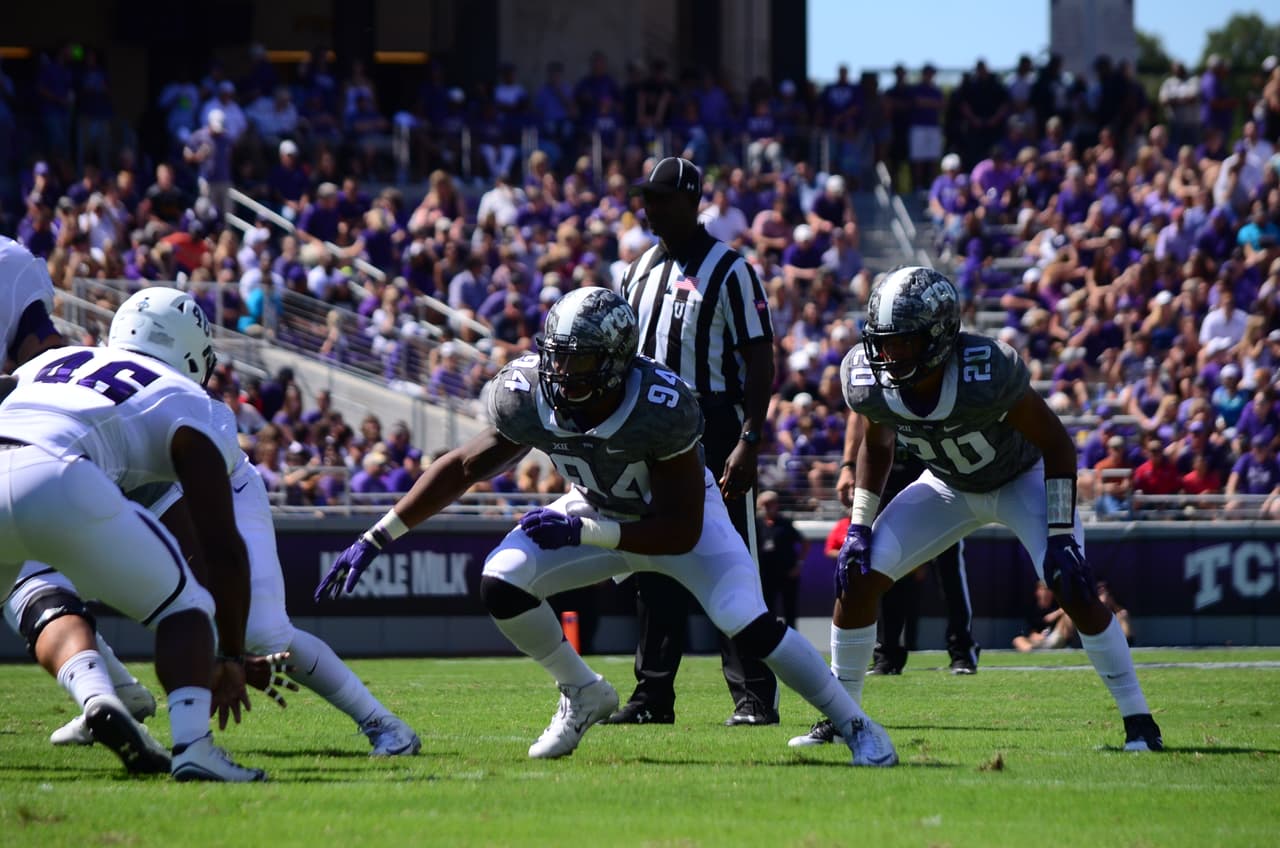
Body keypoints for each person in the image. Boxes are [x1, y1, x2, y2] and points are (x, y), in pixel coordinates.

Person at [315, 288, 897, 766]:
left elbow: (679, 532)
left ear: (617, 360)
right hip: (593, 509)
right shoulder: (528, 392)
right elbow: (465, 465)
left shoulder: (658, 404)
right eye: (557, 355)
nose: (562, 371)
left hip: (679, 520)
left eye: (579, 359)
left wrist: (584, 535)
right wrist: (379, 535)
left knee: (746, 622)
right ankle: (582, 690)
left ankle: (855, 723)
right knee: (501, 581)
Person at [794, 266, 1161, 753]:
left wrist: (1059, 533)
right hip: (947, 485)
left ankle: (1140, 722)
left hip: (1021, 479)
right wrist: (860, 525)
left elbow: (1056, 443)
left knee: (1070, 583)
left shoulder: (984, 371)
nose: (889, 354)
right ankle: (843, 717)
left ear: (940, 337)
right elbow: (877, 447)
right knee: (857, 575)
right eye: (884, 341)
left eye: (904, 342)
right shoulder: (869, 379)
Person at [0, 287, 266, 781]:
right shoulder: (190, 400)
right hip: (57, 473)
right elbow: (222, 545)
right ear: (193, 352)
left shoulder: (57, 359)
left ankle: (105, 696)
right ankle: (194, 748)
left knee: (31, 595)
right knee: (186, 607)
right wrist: (229, 653)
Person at [12, 443, 421, 757]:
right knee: (30, 579)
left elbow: (207, 556)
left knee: (262, 631)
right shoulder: (36, 413)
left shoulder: (153, 416)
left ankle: (384, 724)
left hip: (209, 481)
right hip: (101, 484)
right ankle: (110, 694)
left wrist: (230, 653)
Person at [613, 156, 779, 727]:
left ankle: (755, 693)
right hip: (651, 432)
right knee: (652, 563)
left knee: (734, 562)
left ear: (689, 200)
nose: (648, 208)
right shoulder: (637, 270)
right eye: (645, 198)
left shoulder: (731, 270)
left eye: (659, 198)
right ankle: (652, 696)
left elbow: (760, 357)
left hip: (715, 425)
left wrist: (751, 439)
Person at [755, 490, 806, 628]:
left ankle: (792, 638)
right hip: (766, 574)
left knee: (789, 608)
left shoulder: (785, 523)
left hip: (787, 572)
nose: (766, 507)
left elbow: (804, 542)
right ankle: (770, 637)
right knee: (768, 607)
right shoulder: (757, 523)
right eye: (764, 504)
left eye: (770, 504)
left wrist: (798, 565)